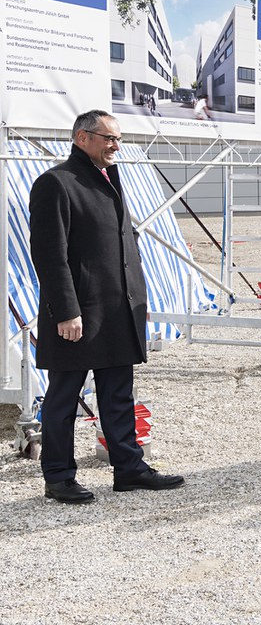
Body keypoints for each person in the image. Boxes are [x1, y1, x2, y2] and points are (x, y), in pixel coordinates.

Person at [29, 110, 184, 503]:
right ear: (83, 138)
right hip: (77, 315)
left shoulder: (110, 179)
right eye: (109, 138)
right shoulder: (55, 183)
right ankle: (59, 477)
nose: (116, 146)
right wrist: (66, 311)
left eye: (118, 139)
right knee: (63, 398)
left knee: (118, 394)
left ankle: (129, 468)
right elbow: (50, 255)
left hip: (116, 312)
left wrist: (137, 300)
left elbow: (124, 248)